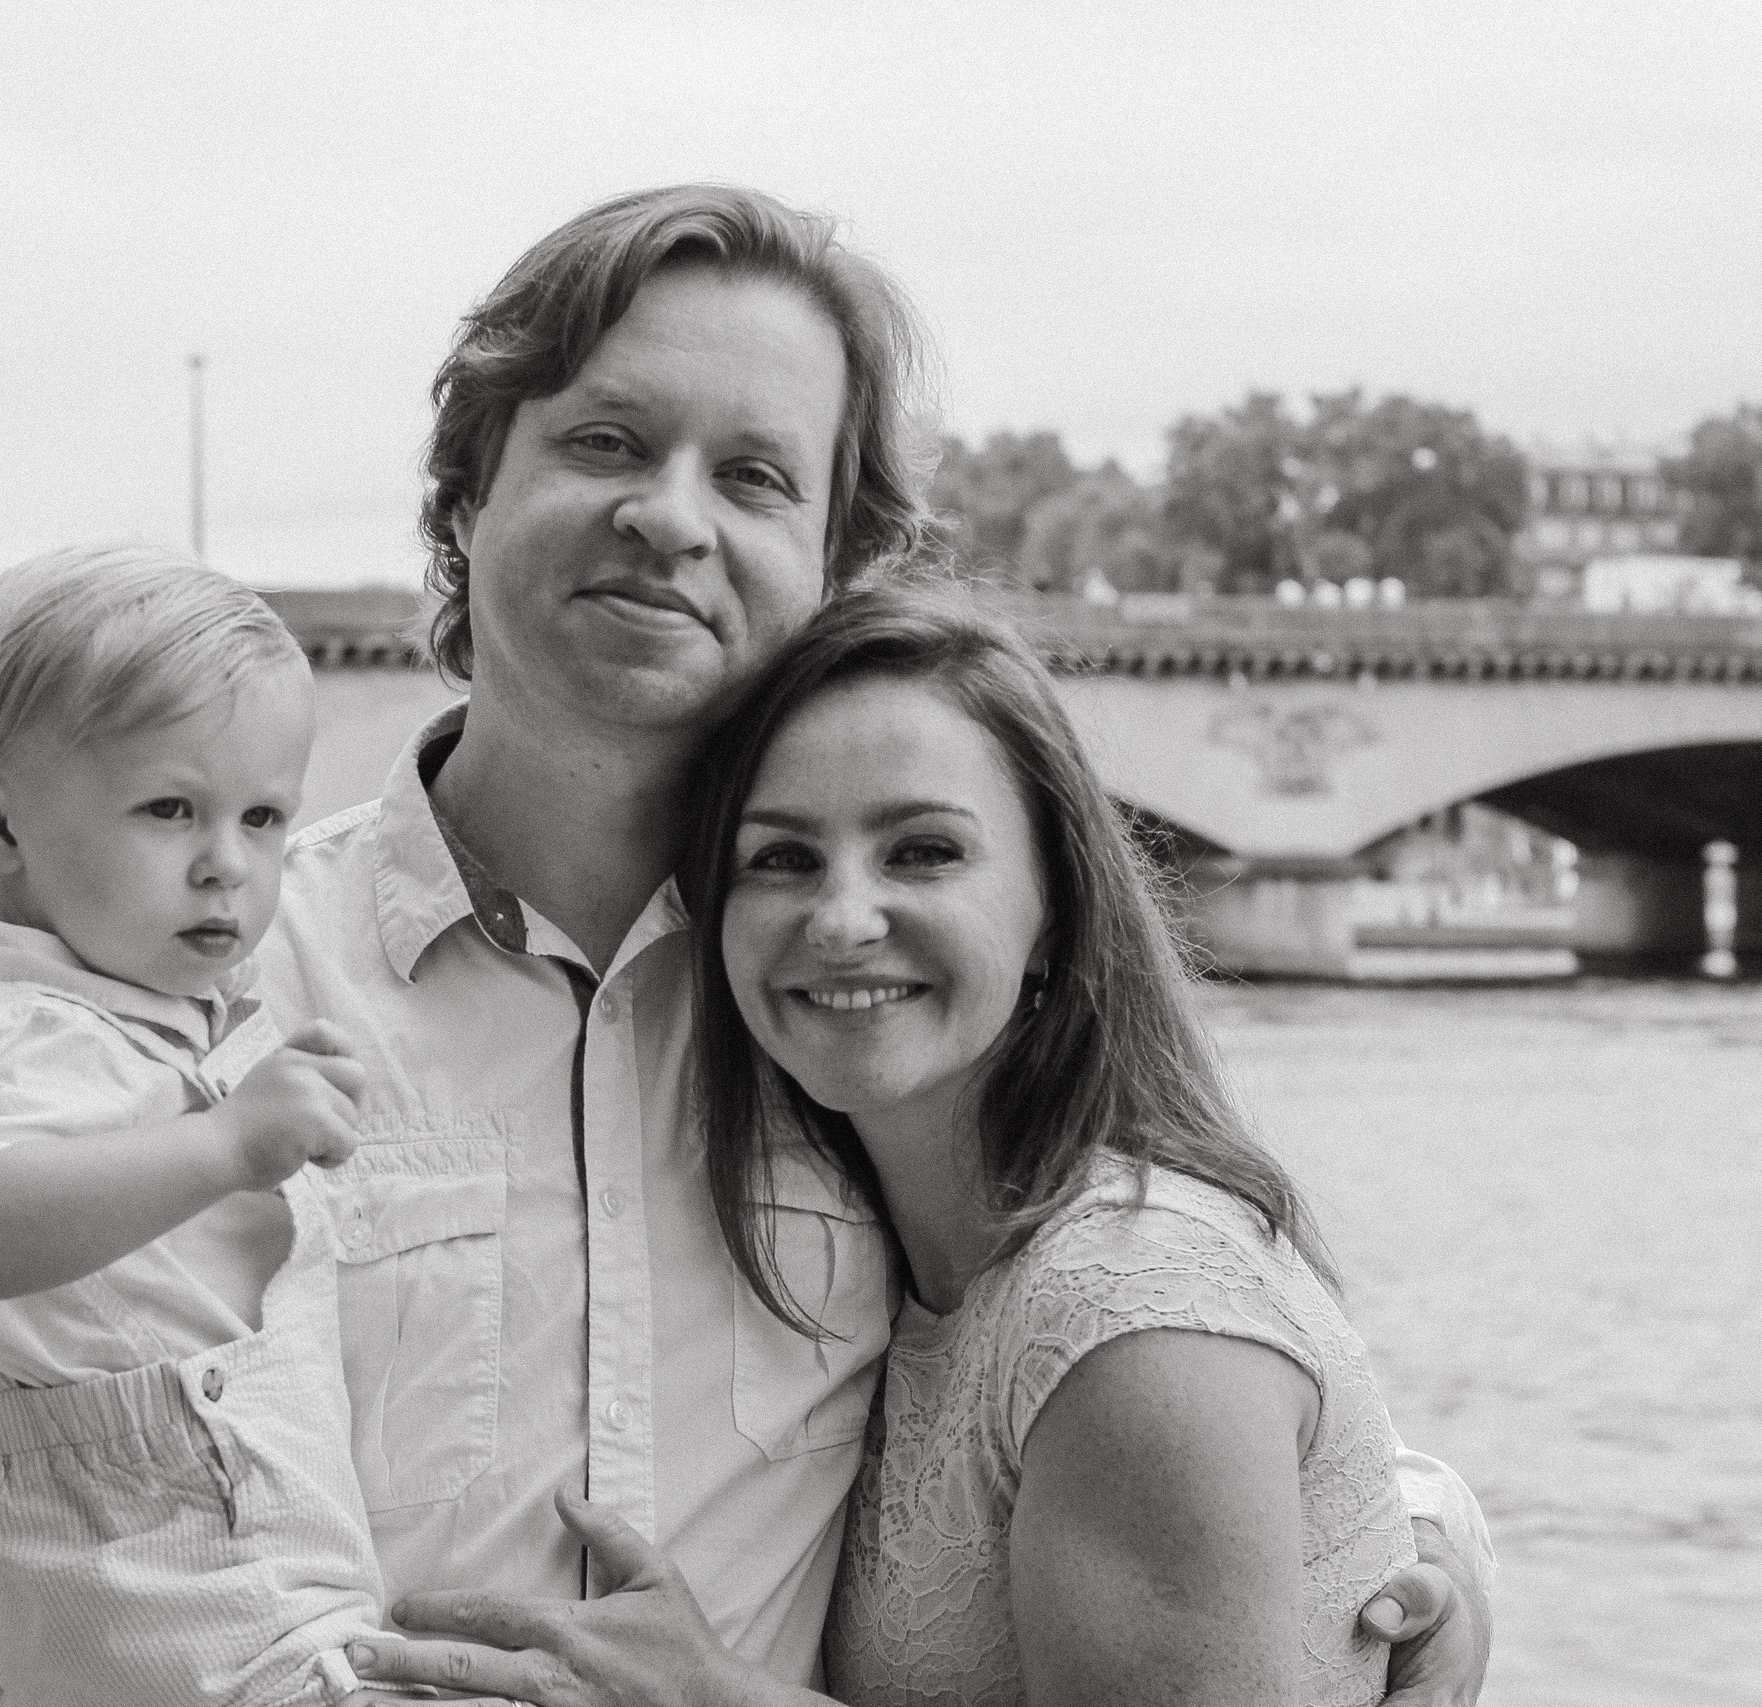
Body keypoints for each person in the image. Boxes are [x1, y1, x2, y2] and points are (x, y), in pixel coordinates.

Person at [0, 185, 1493, 1706]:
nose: (669, 517)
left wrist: (1410, 1547)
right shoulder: (187, 992)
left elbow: (1121, 1312)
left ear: (835, 567)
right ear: (467, 493)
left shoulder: (857, 1002)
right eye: (607, 440)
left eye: (756, 474)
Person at [354, 586, 1433, 1704]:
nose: (841, 919)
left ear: (1056, 906)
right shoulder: (902, 1269)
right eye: (779, 861)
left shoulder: (1132, 1302)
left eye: (921, 852)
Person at [0, 544, 402, 1705]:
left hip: (219, 1603)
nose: (227, 865)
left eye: (263, 818)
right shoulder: (18, 1030)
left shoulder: (125, 1018)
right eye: (170, 810)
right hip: (191, 1625)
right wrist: (227, 1147)